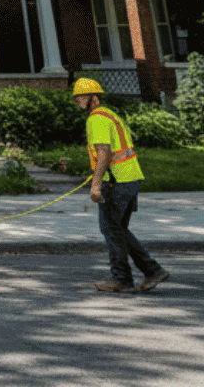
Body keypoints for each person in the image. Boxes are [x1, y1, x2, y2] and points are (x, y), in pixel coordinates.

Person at [73, 78, 168, 293]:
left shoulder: (96, 119)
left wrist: (96, 185)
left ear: (93, 98)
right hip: (130, 177)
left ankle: (126, 279)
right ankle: (150, 271)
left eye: (81, 96)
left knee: (110, 228)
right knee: (118, 229)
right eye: (76, 97)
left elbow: (104, 153)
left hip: (116, 181)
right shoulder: (111, 114)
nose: (78, 100)